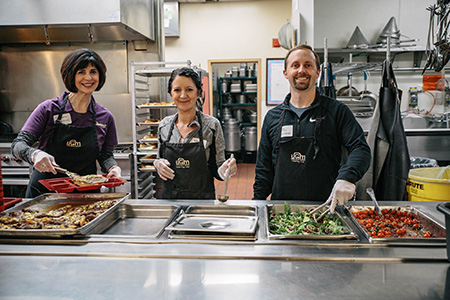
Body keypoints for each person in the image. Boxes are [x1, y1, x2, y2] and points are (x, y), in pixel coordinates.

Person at [253, 44, 371, 212]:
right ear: (286, 73)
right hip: (282, 212)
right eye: (295, 65)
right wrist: (257, 204)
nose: (302, 70)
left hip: (326, 210)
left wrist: (347, 177)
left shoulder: (337, 111)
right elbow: (264, 168)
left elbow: (360, 148)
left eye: (308, 65)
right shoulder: (273, 117)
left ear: (318, 72)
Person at [11, 48, 122, 198]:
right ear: (70, 75)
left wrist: (113, 167)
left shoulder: (105, 117)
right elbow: (18, 145)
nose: (88, 78)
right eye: (81, 72)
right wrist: (34, 154)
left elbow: (106, 155)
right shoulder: (48, 109)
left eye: (93, 72)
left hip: (86, 195)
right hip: (45, 195)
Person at [154, 67, 236, 199]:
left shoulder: (212, 126)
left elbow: (218, 167)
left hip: (202, 202)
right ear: (170, 93)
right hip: (170, 201)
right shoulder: (164, 126)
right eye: (177, 90)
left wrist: (225, 170)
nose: (183, 95)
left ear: (198, 93)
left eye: (189, 89)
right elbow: (159, 159)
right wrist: (158, 165)